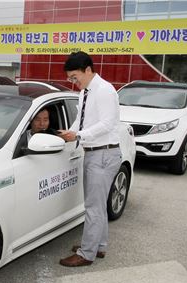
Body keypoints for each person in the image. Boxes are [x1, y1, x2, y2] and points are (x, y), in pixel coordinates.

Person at [57, 51, 121, 267]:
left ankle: (86, 253)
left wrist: (79, 136)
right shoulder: (86, 91)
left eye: (75, 77)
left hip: (103, 153)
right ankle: (98, 245)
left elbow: (107, 124)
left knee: (93, 206)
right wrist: (69, 133)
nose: (73, 82)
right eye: (70, 79)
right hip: (94, 152)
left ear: (88, 70)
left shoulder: (104, 90)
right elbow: (80, 120)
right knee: (97, 205)